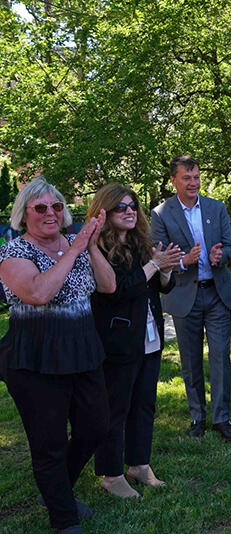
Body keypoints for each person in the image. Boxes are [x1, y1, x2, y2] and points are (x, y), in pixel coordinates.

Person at [0, 177, 116, 533]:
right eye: (40, 208)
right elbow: (37, 293)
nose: (50, 213)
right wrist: (76, 248)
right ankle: (64, 519)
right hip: (36, 356)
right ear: (25, 214)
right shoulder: (14, 252)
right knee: (48, 443)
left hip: (82, 350)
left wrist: (90, 246)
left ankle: (56, 490)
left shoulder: (75, 243)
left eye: (57, 206)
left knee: (95, 427)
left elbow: (108, 285)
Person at [88, 184, 182, 498]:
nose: (129, 211)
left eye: (133, 205)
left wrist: (165, 270)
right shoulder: (97, 247)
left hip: (149, 335)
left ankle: (139, 464)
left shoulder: (142, 242)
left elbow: (160, 286)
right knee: (116, 408)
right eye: (120, 207)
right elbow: (119, 289)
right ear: (105, 211)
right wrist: (155, 265)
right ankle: (111, 473)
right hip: (117, 339)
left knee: (144, 404)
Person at [150, 155, 231, 442]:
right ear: (173, 180)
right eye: (187, 178)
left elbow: (230, 246)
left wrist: (221, 255)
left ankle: (221, 419)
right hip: (183, 295)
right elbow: (159, 257)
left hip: (216, 293)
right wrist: (184, 262)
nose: (193, 182)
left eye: (197, 177)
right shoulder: (161, 213)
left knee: (220, 357)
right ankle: (197, 417)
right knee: (190, 361)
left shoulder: (216, 207)